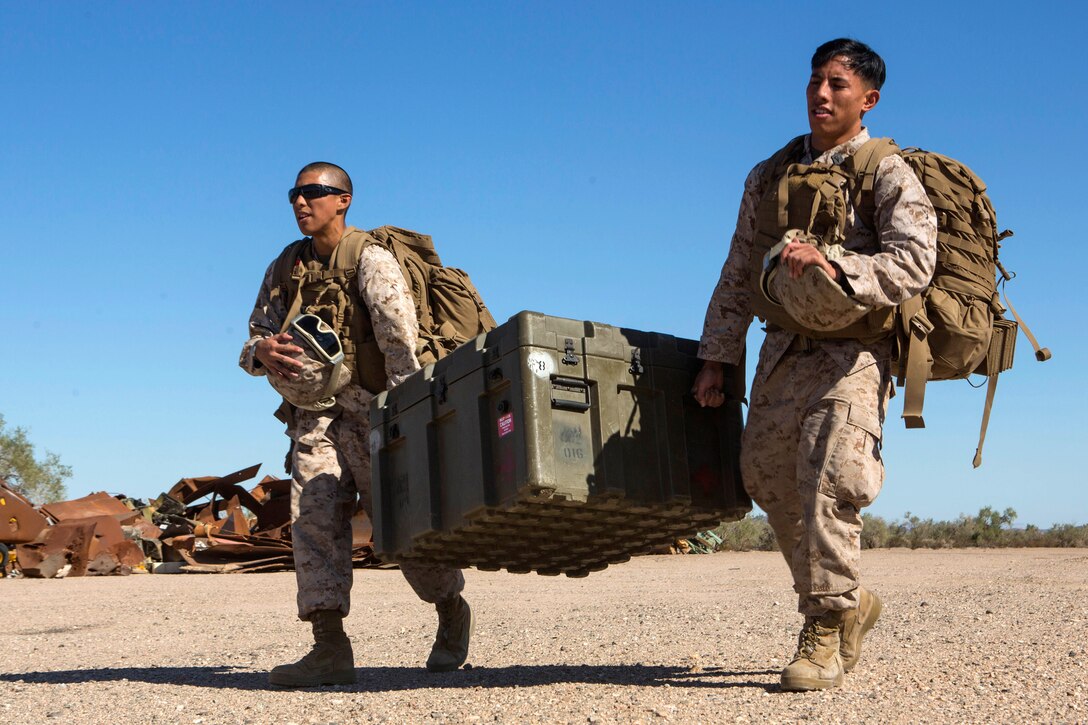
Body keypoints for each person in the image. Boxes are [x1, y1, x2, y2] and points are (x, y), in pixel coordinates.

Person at [692, 39, 937, 691]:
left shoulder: (885, 171)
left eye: (837, 84)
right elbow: (740, 268)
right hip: (783, 345)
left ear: (867, 99)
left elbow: (915, 261)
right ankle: (853, 603)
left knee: (831, 476)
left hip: (855, 350)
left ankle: (825, 627)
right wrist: (717, 355)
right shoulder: (769, 175)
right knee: (766, 475)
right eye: (814, 82)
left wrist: (838, 265)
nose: (821, 94)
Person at [240, 162, 473, 687]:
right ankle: (329, 646)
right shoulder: (285, 268)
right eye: (295, 194)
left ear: (343, 200)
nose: (302, 202)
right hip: (315, 417)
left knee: (402, 527)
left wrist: (409, 422)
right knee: (312, 521)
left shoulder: (371, 259)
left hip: (375, 415)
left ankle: (450, 608)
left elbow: (400, 344)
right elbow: (253, 336)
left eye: (315, 192)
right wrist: (262, 351)